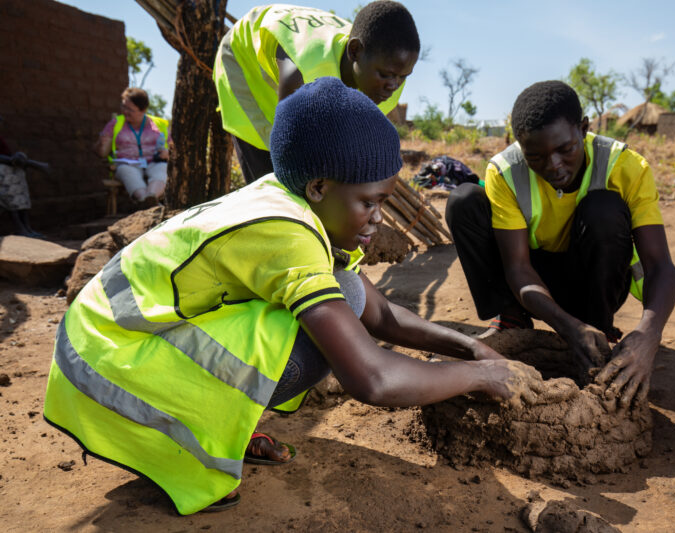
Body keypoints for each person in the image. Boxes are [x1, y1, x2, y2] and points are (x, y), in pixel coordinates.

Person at [43, 77, 518, 515]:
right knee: (323, 333)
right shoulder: (285, 233)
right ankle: (188, 448)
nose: (378, 219)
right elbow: (372, 379)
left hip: (117, 345)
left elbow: (381, 313)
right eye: (369, 202)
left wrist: (472, 347)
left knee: (346, 294)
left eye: (384, 202)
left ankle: (221, 426)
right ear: (318, 188)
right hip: (106, 367)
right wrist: (478, 377)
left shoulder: (291, 199)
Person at [445, 80, 675, 410]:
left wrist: (647, 336)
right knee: (464, 200)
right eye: (536, 156)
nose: (553, 165)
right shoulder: (506, 171)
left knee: (604, 209)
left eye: (565, 149)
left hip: (592, 281)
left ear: (583, 129)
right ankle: (512, 321)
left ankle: (598, 330)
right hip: (530, 285)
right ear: (520, 146)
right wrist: (568, 328)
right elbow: (518, 268)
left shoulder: (626, 168)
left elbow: (659, 266)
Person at [214, 1, 419, 183]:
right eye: (385, 75)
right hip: (244, 54)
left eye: (403, 76)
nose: (394, 85)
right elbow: (288, 143)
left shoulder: (387, 71)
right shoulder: (302, 72)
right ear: (354, 51)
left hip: (299, 48)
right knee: (273, 173)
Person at [95, 88, 170, 207]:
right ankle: (147, 202)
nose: (125, 111)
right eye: (123, 106)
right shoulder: (116, 123)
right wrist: (102, 143)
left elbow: (173, 147)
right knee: (127, 172)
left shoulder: (158, 124)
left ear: (143, 110)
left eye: (130, 109)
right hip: (127, 163)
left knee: (162, 169)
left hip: (155, 161)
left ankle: (151, 198)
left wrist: (167, 153)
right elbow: (102, 153)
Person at [0, 116, 47, 238]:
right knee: (11, 200)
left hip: (12, 172)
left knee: (22, 199)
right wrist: (14, 160)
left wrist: (18, 158)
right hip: (3, 174)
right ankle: (20, 228)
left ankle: (27, 228)